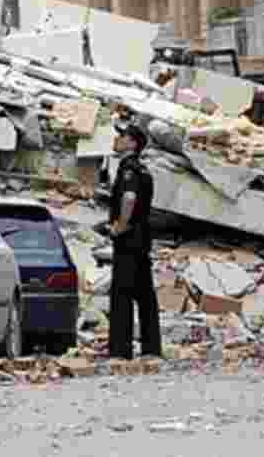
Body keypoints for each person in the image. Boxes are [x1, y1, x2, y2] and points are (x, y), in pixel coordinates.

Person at [106, 120, 161, 360]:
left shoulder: (128, 169)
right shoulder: (144, 169)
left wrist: (120, 226)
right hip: (142, 239)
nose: (116, 139)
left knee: (122, 294)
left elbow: (128, 198)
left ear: (132, 142)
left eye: (122, 136)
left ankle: (120, 349)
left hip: (128, 240)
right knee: (145, 295)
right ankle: (151, 348)